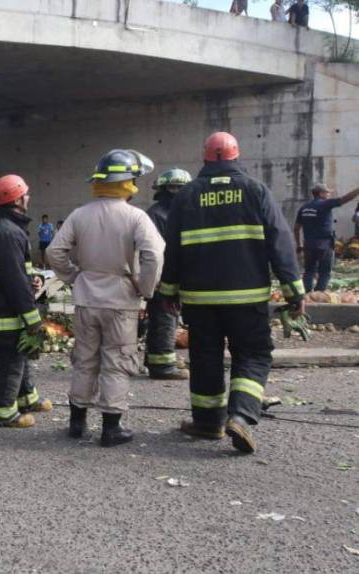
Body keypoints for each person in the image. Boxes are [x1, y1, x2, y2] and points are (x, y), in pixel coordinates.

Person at [158, 132, 304, 454]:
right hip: (247, 299)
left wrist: (168, 291)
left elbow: (173, 251)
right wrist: (294, 291)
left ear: (206, 158)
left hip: (200, 301)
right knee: (253, 355)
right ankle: (241, 414)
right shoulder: (256, 191)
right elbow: (280, 242)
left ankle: (209, 424)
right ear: (237, 156)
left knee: (205, 358)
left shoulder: (186, 197)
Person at [47, 149, 164, 448]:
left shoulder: (79, 214)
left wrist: (74, 276)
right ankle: (111, 429)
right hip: (121, 300)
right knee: (116, 361)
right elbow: (153, 255)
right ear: (128, 183)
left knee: (85, 359)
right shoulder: (136, 216)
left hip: (86, 299)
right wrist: (145, 289)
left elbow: (53, 252)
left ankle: (77, 423)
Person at [0, 175, 53, 428]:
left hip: (4, 305)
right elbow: (13, 281)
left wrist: (32, 278)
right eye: (26, 194)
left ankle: (25, 398)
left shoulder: (8, 229)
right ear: (18, 199)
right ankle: (1, 412)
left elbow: (18, 273)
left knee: (19, 354)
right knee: (8, 358)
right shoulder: (9, 233)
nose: (29, 197)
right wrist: (32, 318)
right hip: (6, 310)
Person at [144, 168, 193, 380]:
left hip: (171, 275)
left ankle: (156, 358)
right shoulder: (158, 214)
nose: (179, 192)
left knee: (165, 319)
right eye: (174, 187)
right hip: (162, 276)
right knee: (165, 317)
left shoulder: (174, 212)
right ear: (165, 189)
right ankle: (162, 367)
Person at [294, 183, 359, 292]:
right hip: (324, 245)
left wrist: (299, 244)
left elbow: (296, 228)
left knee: (309, 271)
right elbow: (345, 199)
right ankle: (318, 295)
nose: (329, 194)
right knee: (324, 273)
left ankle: (306, 296)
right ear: (321, 194)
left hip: (308, 245)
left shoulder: (304, 208)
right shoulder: (325, 204)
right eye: (327, 192)